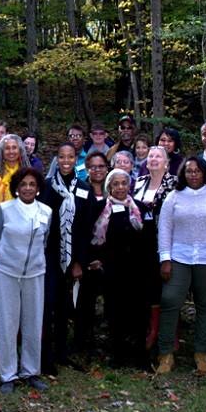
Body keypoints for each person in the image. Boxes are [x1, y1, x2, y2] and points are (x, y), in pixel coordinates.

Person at [156, 157, 206, 375]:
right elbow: (164, 229)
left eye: (197, 171)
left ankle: (201, 354)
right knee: (170, 299)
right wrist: (165, 258)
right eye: (189, 171)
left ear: (204, 173)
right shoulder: (174, 197)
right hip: (179, 256)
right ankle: (165, 354)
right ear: (183, 174)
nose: (193, 174)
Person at [0, 168, 52, 394]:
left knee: (33, 322)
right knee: (8, 323)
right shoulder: (5, 209)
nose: (28, 188)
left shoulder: (46, 211)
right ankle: (7, 374)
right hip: (8, 272)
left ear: (38, 188)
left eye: (32, 184)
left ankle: (30, 371)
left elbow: (45, 241)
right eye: (23, 184)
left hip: (35, 273)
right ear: (16, 187)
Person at [92, 169, 146, 368]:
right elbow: (94, 240)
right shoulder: (100, 209)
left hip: (136, 269)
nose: (121, 187)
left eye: (124, 183)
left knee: (137, 312)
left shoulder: (138, 208)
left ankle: (138, 354)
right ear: (109, 187)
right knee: (114, 311)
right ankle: (117, 354)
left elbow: (148, 238)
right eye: (116, 184)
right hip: (111, 269)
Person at [40, 143, 85, 374]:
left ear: (76, 159)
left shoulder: (83, 188)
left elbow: (85, 227)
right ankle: (45, 357)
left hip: (72, 257)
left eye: (70, 157)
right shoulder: (47, 186)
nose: (66, 161)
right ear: (56, 159)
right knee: (48, 305)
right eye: (62, 157)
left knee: (65, 308)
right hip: (49, 254)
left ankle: (62, 352)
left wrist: (78, 261)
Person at [133, 146, 177, 351]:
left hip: (166, 242)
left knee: (167, 289)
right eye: (150, 156)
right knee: (148, 288)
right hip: (142, 244)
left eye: (158, 156)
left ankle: (170, 333)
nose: (153, 159)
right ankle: (151, 329)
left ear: (166, 162)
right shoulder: (139, 183)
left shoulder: (174, 184)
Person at [70, 152, 110, 353]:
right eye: (93, 167)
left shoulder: (114, 189)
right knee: (84, 302)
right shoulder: (80, 189)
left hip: (109, 256)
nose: (97, 170)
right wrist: (81, 259)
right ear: (87, 169)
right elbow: (77, 226)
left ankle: (109, 344)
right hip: (86, 256)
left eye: (101, 166)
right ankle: (81, 343)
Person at [0, 134, 29, 261]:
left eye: (14, 148)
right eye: (7, 148)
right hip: (0, 231)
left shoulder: (28, 174)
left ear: (20, 151)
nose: (11, 151)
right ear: (2, 152)